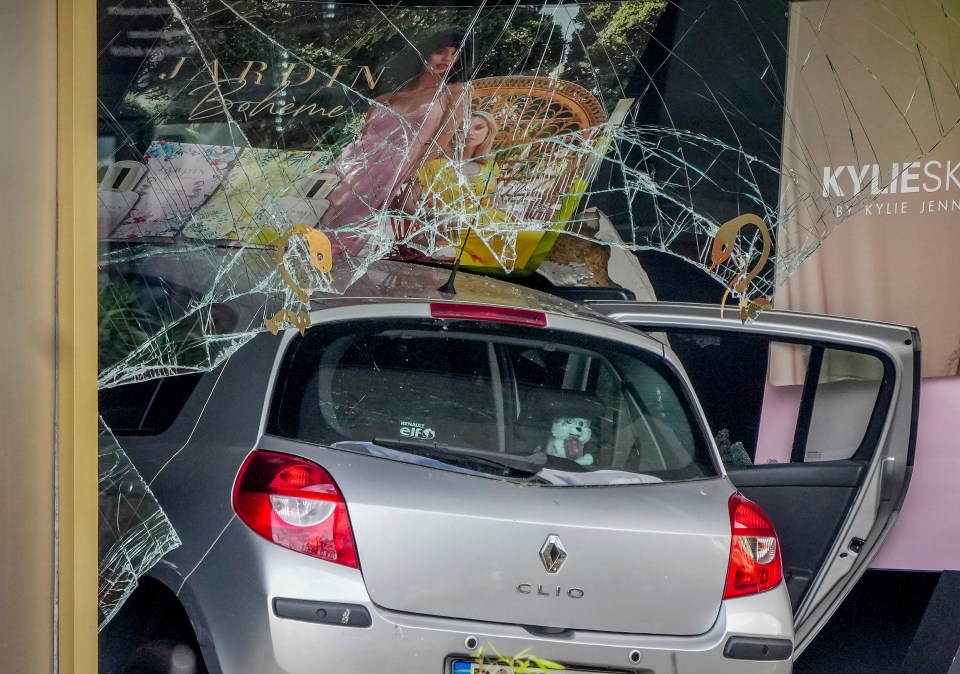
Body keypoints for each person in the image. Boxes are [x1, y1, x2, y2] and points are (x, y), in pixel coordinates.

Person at [319, 28, 470, 255]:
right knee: (323, 219)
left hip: (396, 171)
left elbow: (440, 141)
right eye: (441, 52)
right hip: (354, 165)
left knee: (349, 237)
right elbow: (365, 137)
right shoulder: (387, 97)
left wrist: (408, 175)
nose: (448, 59)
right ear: (424, 54)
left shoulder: (455, 91)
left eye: (454, 53)